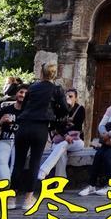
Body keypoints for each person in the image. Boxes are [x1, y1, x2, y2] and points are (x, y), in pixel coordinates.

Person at [11, 63, 68, 210]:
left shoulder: (32, 88)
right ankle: (28, 198)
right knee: (34, 162)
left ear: (41, 73)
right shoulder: (56, 89)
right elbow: (65, 109)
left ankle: (11, 198)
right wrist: (54, 115)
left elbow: (24, 107)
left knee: (18, 162)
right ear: (54, 74)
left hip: (24, 125)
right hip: (40, 127)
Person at [38, 88, 85, 180]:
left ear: (76, 98)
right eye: (66, 97)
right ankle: (60, 181)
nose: (68, 98)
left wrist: (62, 130)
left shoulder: (80, 109)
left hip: (76, 141)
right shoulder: (60, 110)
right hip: (59, 141)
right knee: (62, 152)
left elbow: (77, 126)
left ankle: (44, 170)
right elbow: (54, 126)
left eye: (70, 96)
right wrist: (65, 134)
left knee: (64, 144)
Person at [0, 83, 28, 184]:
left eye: (25, 93)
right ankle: (6, 184)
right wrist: (0, 122)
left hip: (21, 143)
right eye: (21, 92)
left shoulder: (29, 112)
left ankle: (7, 187)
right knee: (1, 159)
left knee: (15, 164)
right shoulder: (6, 110)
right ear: (16, 93)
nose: (23, 95)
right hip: (4, 141)